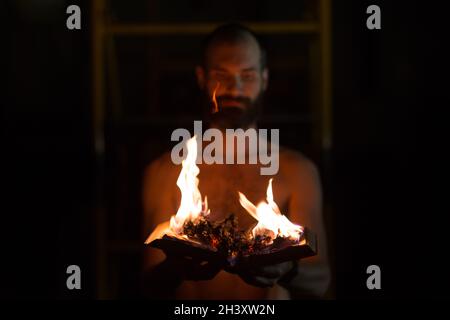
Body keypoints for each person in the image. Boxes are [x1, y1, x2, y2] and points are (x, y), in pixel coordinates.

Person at [141, 23, 330, 299]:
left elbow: (320, 281)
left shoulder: (296, 171)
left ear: (264, 79)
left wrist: (288, 269)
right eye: (221, 74)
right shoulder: (165, 172)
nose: (234, 87)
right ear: (202, 77)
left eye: (248, 74)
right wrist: (175, 268)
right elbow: (146, 285)